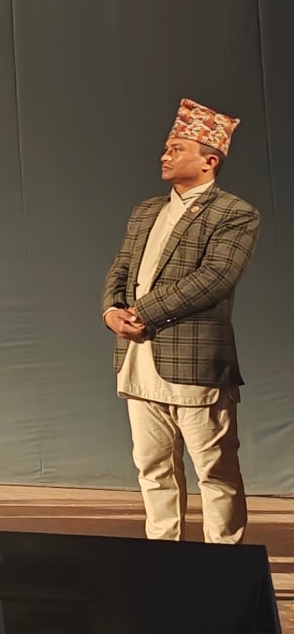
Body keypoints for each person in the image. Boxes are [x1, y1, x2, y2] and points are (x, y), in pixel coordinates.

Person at [101, 98, 259, 544]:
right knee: (152, 468)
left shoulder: (234, 213)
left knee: (215, 471)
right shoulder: (146, 211)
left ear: (209, 161)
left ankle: (224, 562)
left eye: (176, 149)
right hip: (139, 359)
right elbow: (121, 268)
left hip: (195, 363)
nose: (164, 156)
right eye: (166, 148)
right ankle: (163, 558)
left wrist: (143, 311)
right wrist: (112, 310)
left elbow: (216, 277)